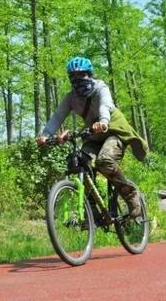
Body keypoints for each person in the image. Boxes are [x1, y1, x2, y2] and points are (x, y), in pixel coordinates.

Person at [36, 56, 148, 217]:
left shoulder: (100, 88)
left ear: (89, 74)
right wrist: (45, 136)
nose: (77, 80)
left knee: (104, 160)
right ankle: (93, 208)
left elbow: (105, 105)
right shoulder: (71, 98)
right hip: (94, 135)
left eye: (81, 75)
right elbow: (57, 117)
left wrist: (103, 121)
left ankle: (131, 195)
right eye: (73, 76)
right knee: (80, 162)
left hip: (114, 130)